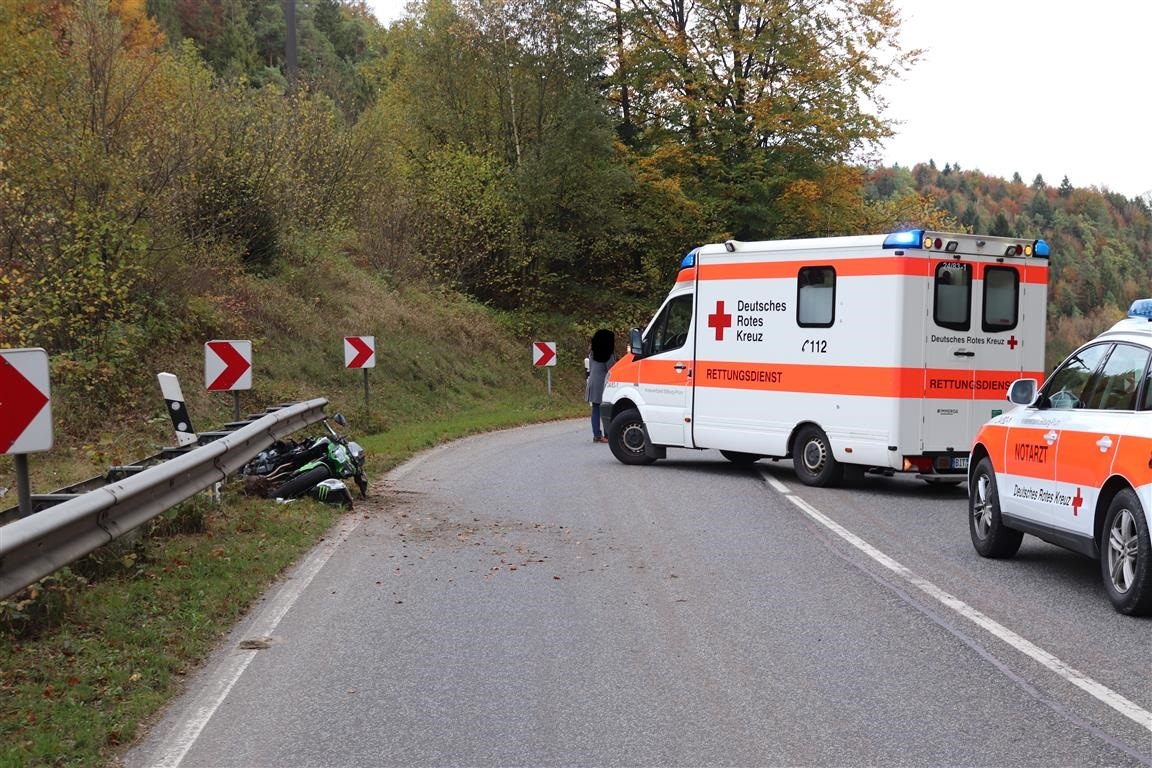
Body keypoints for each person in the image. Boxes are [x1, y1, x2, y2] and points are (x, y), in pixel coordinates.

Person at [586, 329, 617, 443]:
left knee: (595, 409)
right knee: (605, 409)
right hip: (603, 384)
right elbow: (611, 369)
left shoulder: (592, 353)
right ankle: (607, 434)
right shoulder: (607, 354)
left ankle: (596, 435)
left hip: (593, 382)